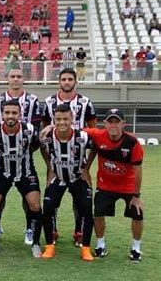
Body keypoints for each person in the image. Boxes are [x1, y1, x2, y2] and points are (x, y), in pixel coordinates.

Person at [42, 68, 96, 245]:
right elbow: (43, 133)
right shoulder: (49, 102)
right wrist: (49, 166)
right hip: (56, 155)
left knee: (80, 200)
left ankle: (79, 233)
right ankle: (53, 231)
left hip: (78, 154)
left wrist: (87, 166)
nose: (66, 82)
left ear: (75, 81)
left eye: (70, 79)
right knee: (52, 200)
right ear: (59, 82)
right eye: (63, 79)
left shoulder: (85, 102)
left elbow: (93, 130)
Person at [0, 68, 42, 244]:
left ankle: (30, 230)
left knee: (32, 202)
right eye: (12, 76)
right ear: (7, 79)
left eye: (19, 76)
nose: (16, 79)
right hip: (1, 162)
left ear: (23, 79)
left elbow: (36, 138)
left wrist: (22, 151)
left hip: (24, 162)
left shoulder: (33, 101)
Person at [0, 100, 43, 258]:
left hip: (25, 172)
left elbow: (36, 145)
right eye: (7, 113)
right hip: (1, 172)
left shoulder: (30, 130)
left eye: (14, 113)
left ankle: (36, 243)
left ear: (20, 114)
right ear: (2, 114)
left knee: (35, 205)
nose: (10, 116)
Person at [84, 109, 144, 262]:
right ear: (105, 124)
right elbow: (75, 129)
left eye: (117, 122)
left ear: (123, 124)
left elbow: (138, 171)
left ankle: (136, 248)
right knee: (97, 213)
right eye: (110, 121)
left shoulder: (132, 142)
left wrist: (136, 196)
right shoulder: (98, 135)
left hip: (128, 186)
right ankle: (100, 245)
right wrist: (51, 128)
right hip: (105, 185)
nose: (113, 125)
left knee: (137, 214)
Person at [39, 105, 94, 261]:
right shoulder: (48, 136)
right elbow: (42, 148)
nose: (62, 122)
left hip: (78, 177)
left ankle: (86, 248)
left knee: (87, 210)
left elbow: (94, 148)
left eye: (65, 119)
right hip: (59, 177)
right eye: (58, 119)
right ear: (54, 120)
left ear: (72, 119)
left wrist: (87, 168)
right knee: (48, 208)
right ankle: (49, 246)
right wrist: (50, 168)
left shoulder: (82, 136)